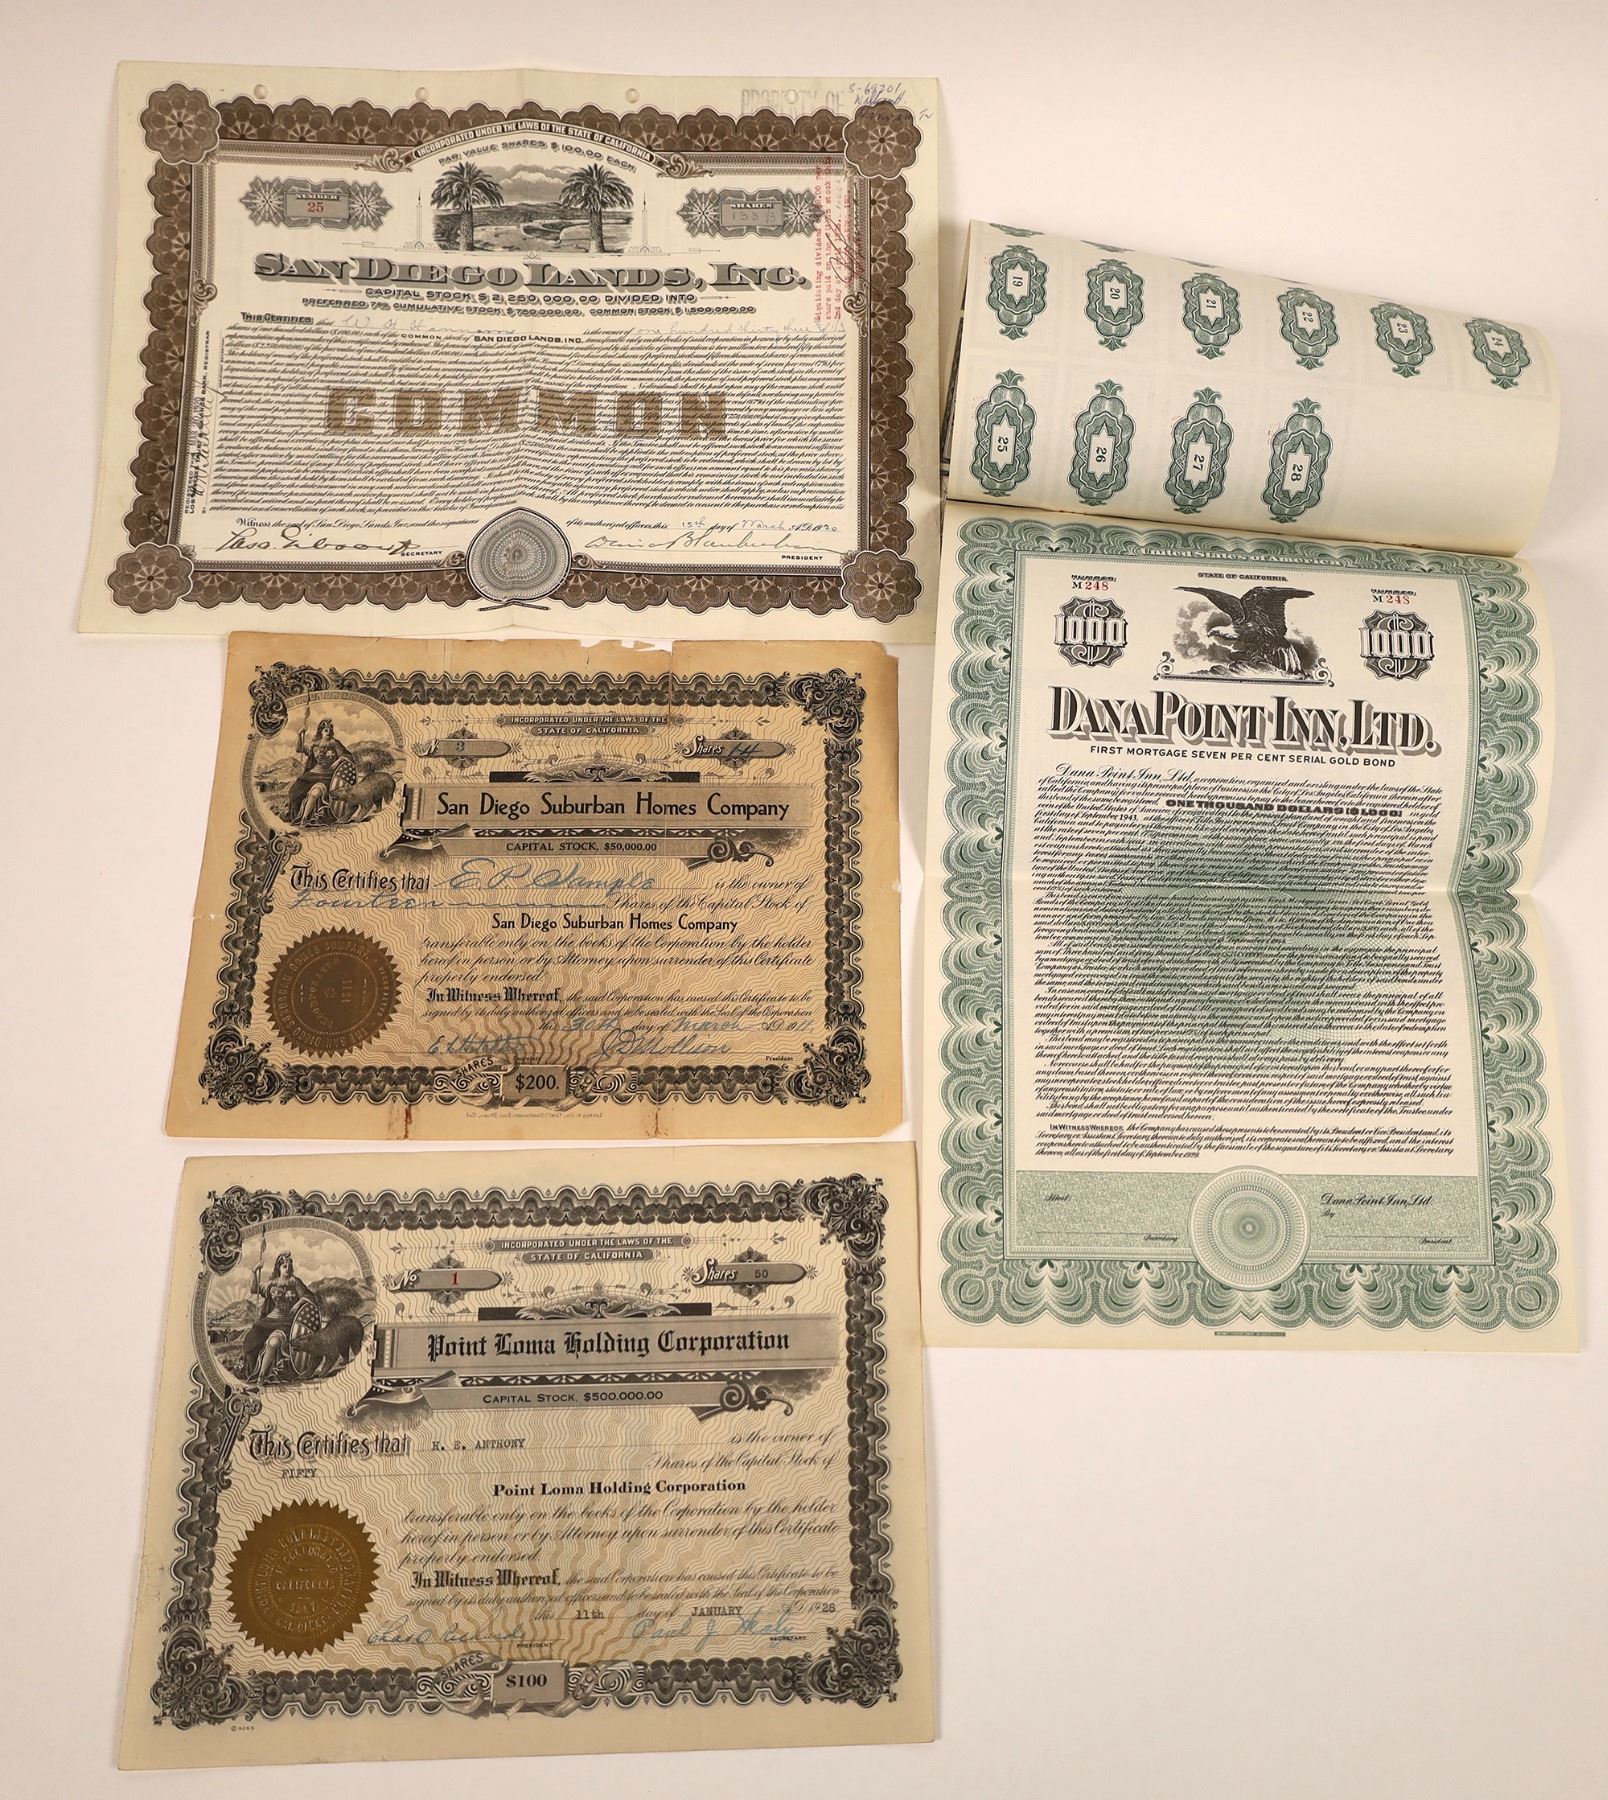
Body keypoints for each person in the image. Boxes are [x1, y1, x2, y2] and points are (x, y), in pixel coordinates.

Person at [238, 1251, 320, 1381]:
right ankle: (252, 1370)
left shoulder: (295, 1282)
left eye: (289, 1266)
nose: (287, 1268)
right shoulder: (272, 1284)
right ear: (279, 1268)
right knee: (251, 1339)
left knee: (274, 1342)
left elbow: (309, 1296)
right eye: (284, 1266)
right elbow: (254, 1289)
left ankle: (262, 1375)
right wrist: (254, 1271)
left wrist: (298, 1303)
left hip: (287, 1322)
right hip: (269, 1321)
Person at [285, 717, 357, 824]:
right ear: (321, 732)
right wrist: (299, 734)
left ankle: (304, 818)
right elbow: (299, 749)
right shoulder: (314, 744)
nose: (329, 732)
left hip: (327, 777)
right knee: (294, 791)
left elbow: (347, 756)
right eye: (326, 730)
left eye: (331, 730)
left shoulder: (335, 744)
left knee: (315, 793)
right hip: (311, 775)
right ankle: (295, 815)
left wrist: (339, 760)